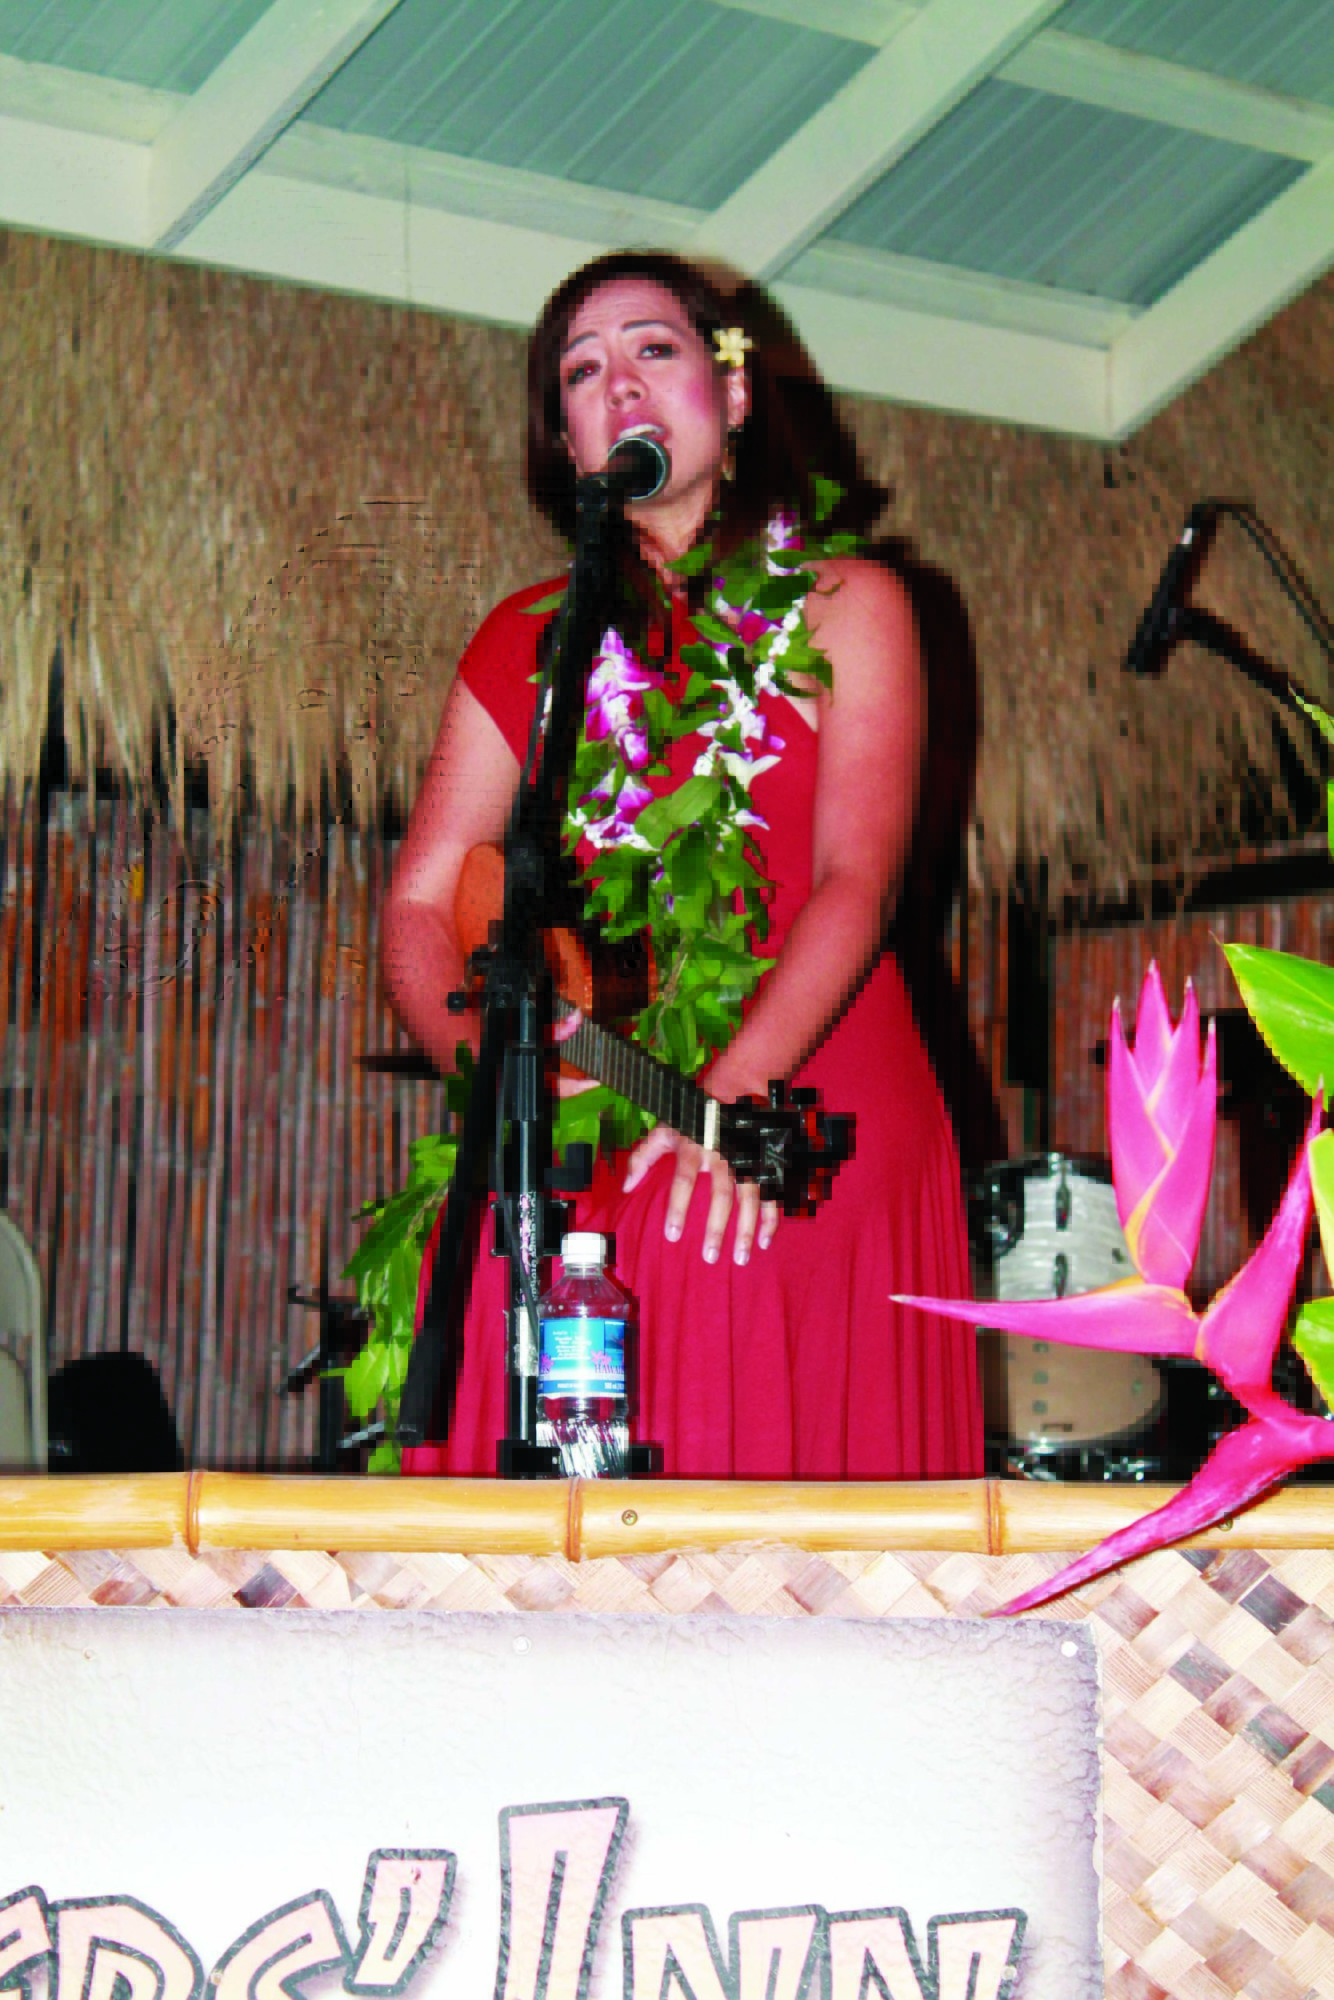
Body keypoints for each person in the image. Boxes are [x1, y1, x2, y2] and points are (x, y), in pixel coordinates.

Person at [382, 250, 982, 1480]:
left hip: (801, 1088)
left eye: (654, 349)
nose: (620, 384)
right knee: (501, 1258)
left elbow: (856, 880)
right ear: (565, 438)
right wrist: (495, 1081)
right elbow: (421, 902)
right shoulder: (525, 641)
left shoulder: (849, 603)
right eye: (581, 371)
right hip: (598, 1087)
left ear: (735, 392)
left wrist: (730, 1098)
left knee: (701, 1244)